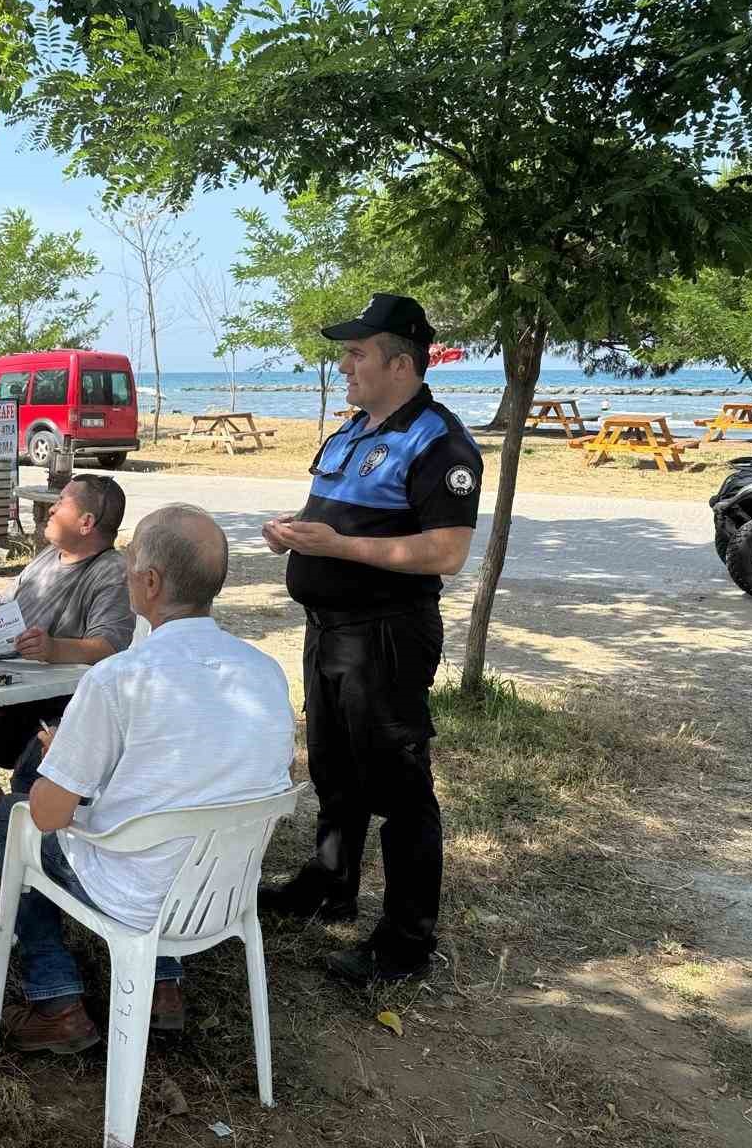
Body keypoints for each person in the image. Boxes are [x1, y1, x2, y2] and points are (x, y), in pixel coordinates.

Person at [0, 504, 295, 1052]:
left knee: (12, 817)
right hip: (223, 889)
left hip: (134, 891)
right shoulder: (265, 672)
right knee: (157, 824)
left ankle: (55, 1001)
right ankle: (162, 985)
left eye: (129, 565)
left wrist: (70, 760)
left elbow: (51, 813)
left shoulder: (118, 678)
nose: (125, 573)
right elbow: (219, 775)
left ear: (149, 583)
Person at [257, 292, 482, 986]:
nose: (345, 364)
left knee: (400, 785)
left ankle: (406, 940)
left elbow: (445, 553)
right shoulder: (355, 429)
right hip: (328, 633)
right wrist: (295, 531)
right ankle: (331, 884)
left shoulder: (440, 441)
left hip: (385, 636)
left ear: (401, 363)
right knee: (334, 769)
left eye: (358, 353)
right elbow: (335, 516)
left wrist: (338, 546)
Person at [0, 474, 135, 864]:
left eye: (62, 504)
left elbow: (110, 646)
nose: (51, 509)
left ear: (86, 523)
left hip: (61, 705)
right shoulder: (47, 559)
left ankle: (22, 849)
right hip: (10, 688)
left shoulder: (112, 572)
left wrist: (55, 648)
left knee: (31, 765)